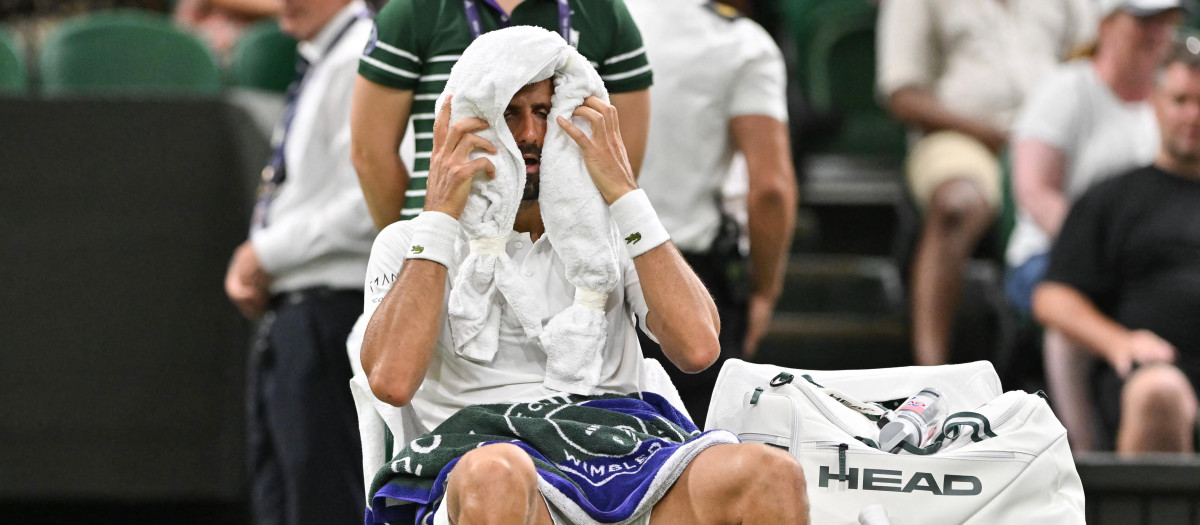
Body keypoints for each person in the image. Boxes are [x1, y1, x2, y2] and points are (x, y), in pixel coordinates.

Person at [358, 28, 809, 524]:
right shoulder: (409, 245)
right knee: (499, 471)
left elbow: (699, 348)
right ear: (472, 122)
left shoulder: (612, 233)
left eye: (545, 113)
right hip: (487, 467)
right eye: (509, 112)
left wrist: (624, 192)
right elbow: (392, 382)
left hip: (623, 451)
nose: (529, 134)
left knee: (772, 473)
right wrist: (441, 215)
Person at [876, 0, 1097, 366]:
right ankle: (931, 373)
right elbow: (903, 94)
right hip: (957, 135)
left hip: (1053, 136)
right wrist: (993, 134)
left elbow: (1092, 59)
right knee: (957, 205)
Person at [222, 0, 375, 522]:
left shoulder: (360, 56)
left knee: (323, 502)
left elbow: (371, 206)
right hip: (297, 313)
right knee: (283, 501)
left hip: (331, 316)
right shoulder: (325, 57)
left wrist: (264, 253)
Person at [1006, 0, 1183, 452]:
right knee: (1076, 300)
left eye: (1165, 22)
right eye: (1144, 21)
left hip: (1143, 256)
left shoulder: (1170, 102)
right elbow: (1034, 191)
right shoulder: (1067, 89)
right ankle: (1082, 448)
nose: (1156, 33)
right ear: (1106, 25)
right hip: (1052, 251)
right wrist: (1101, 248)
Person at [624, 0, 796, 427]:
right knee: (696, 458)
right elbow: (770, 189)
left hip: (585, 268)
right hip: (690, 281)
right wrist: (765, 291)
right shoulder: (742, 43)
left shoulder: (595, 22)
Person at [350, 0, 653, 231]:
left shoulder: (603, 10)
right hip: (444, 242)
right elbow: (370, 156)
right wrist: (410, 237)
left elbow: (619, 158)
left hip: (563, 251)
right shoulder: (415, 9)